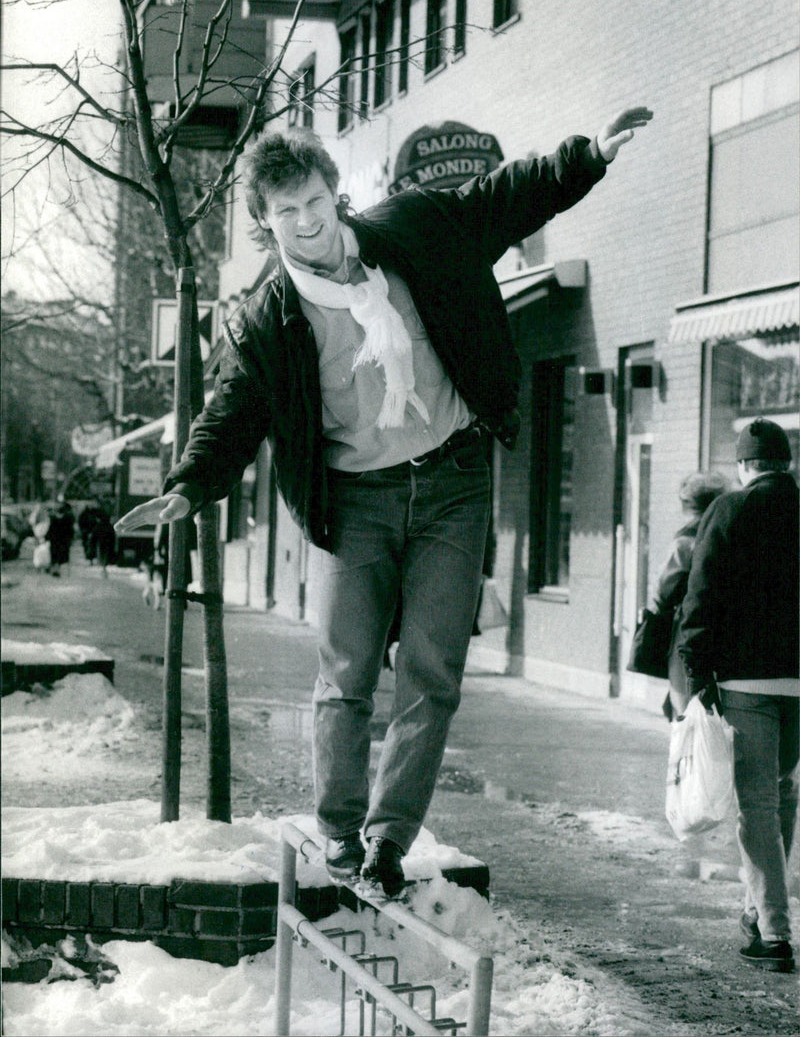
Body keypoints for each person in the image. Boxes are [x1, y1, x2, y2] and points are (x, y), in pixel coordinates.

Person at [115, 107, 653, 896]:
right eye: (286, 215)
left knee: (433, 671)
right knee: (346, 672)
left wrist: (586, 157)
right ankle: (338, 828)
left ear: (336, 195)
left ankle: (388, 836)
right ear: (268, 227)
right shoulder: (266, 318)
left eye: (314, 204)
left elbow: (499, 199)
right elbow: (232, 410)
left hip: (454, 482)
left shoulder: (415, 229)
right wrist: (189, 486)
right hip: (354, 503)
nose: (306, 225)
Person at [677, 418, 798, 974]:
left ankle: (773, 936)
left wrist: (696, 674)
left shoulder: (728, 511)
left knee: (759, 806)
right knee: (780, 795)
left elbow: (701, 595)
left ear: (746, 465)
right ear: (786, 462)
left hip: (746, 684)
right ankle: (756, 910)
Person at [631, 471, 728, 720]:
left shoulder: (685, 542)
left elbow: (663, 591)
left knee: (685, 707)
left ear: (687, 505)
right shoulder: (730, 533)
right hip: (727, 630)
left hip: (687, 630)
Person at [46, 500, 74, 578]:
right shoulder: (67, 519)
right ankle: (63, 571)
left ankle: (55, 570)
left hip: (54, 541)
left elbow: (50, 530)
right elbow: (70, 531)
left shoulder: (53, 519)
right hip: (64, 541)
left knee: (54, 556)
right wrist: (71, 539)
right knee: (63, 556)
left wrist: (47, 537)